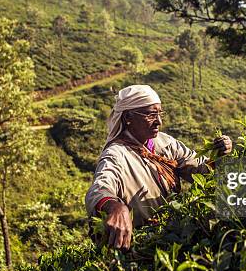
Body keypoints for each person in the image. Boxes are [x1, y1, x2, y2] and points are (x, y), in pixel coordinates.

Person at [85, 84, 232, 250]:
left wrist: (219, 156)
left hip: (175, 237)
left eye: (160, 113)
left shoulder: (165, 143)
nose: (159, 121)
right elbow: (98, 189)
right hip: (143, 248)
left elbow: (200, 170)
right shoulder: (116, 155)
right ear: (128, 117)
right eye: (151, 115)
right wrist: (115, 207)